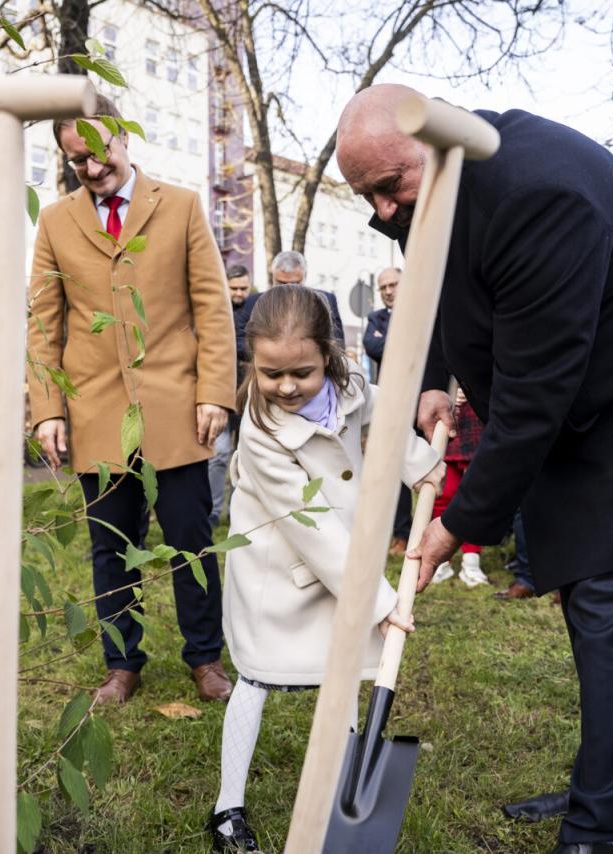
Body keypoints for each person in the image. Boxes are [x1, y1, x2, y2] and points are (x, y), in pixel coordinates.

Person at [336, 85, 613, 854]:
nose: (384, 213)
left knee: (607, 592)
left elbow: (534, 399)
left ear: (432, 143)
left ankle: (600, 831)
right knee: (594, 595)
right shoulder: (434, 179)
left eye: (388, 188)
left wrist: (461, 525)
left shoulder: (541, 194)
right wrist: (433, 373)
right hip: (598, 388)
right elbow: (434, 280)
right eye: (364, 195)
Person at [206, 285, 442, 851]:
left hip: (344, 565)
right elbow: (313, 531)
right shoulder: (261, 432)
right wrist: (382, 604)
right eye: (270, 374)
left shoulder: (356, 389)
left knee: (344, 674)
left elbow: (387, 428)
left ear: (330, 357)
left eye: (302, 373)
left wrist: (423, 465)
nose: (285, 387)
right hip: (277, 567)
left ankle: (341, 794)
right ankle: (226, 808)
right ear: (253, 366)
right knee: (257, 675)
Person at [27, 94, 237, 706]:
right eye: (76, 161)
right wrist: (47, 408)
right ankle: (122, 665)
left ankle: (205, 659)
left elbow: (213, 310)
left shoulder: (183, 207)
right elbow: (44, 323)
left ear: (124, 138)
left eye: (99, 153)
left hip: (176, 405)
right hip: (95, 411)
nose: (91, 170)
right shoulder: (55, 221)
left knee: (191, 538)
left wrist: (215, 394)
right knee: (109, 547)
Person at [362, 266, 414, 555]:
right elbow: (372, 346)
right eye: (383, 287)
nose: (389, 291)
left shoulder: (423, 311)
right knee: (396, 468)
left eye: (394, 284)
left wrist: (389, 339)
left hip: (425, 398)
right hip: (391, 401)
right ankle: (402, 533)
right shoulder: (375, 318)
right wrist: (401, 339)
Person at [208, 265, 258, 527]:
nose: (239, 293)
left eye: (243, 288)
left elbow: (256, 345)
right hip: (220, 393)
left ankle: (237, 509)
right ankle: (214, 510)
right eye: (234, 288)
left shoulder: (257, 306)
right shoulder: (215, 308)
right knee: (218, 454)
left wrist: (235, 347)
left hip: (249, 395)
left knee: (245, 456)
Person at [430, 386, 489, 587]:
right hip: (449, 423)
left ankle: (471, 561)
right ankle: (440, 561)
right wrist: (448, 391)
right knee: (443, 494)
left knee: (477, 498)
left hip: (480, 421)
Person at [268, 250, 345, 346]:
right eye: (281, 283)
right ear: (273, 277)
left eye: (294, 284)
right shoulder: (257, 303)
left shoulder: (325, 300)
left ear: (304, 276)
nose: (287, 289)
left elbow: (338, 342)